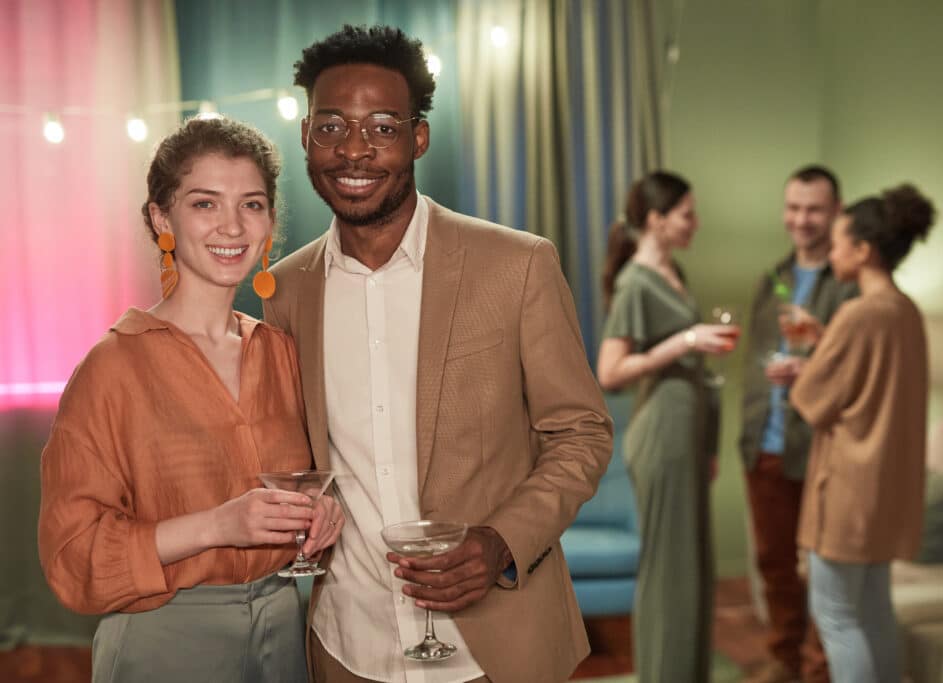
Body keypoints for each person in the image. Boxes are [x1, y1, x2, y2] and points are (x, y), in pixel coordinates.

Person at [263, 25, 613, 683]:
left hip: (496, 649)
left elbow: (581, 434)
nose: (355, 149)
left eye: (383, 127)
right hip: (348, 647)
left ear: (418, 137)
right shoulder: (284, 290)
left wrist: (501, 540)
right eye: (333, 126)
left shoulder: (517, 265)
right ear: (307, 135)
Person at [37, 116, 343, 683]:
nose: (232, 225)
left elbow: (316, 481)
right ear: (161, 217)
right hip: (165, 638)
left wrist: (324, 512)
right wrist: (217, 525)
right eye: (205, 203)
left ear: (270, 221)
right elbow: (71, 558)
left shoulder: (283, 353)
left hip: (290, 631)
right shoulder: (111, 368)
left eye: (251, 204)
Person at [790, 184, 935, 683]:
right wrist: (825, 343)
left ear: (864, 250)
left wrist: (810, 361)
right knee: (874, 613)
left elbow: (811, 400)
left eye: (837, 243)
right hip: (888, 490)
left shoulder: (858, 313)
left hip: (849, 489)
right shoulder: (906, 310)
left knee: (837, 618)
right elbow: (878, 386)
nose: (831, 254)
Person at [596, 171, 737, 683]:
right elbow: (610, 372)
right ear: (656, 220)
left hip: (688, 434)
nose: (695, 222)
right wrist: (684, 342)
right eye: (687, 214)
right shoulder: (637, 281)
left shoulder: (673, 272)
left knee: (693, 564)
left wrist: (709, 442)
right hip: (662, 434)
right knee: (670, 568)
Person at [739, 165, 858, 683]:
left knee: (827, 572)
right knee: (776, 565)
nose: (801, 219)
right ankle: (785, 660)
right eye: (793, 207)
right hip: (764, 445)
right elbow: (754, 361)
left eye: (813, 209)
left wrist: (812, 364)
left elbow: (859, 363)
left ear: (835, 212)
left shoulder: (851, 282)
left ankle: (819, 670)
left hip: (823, 449)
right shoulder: (773, 279)